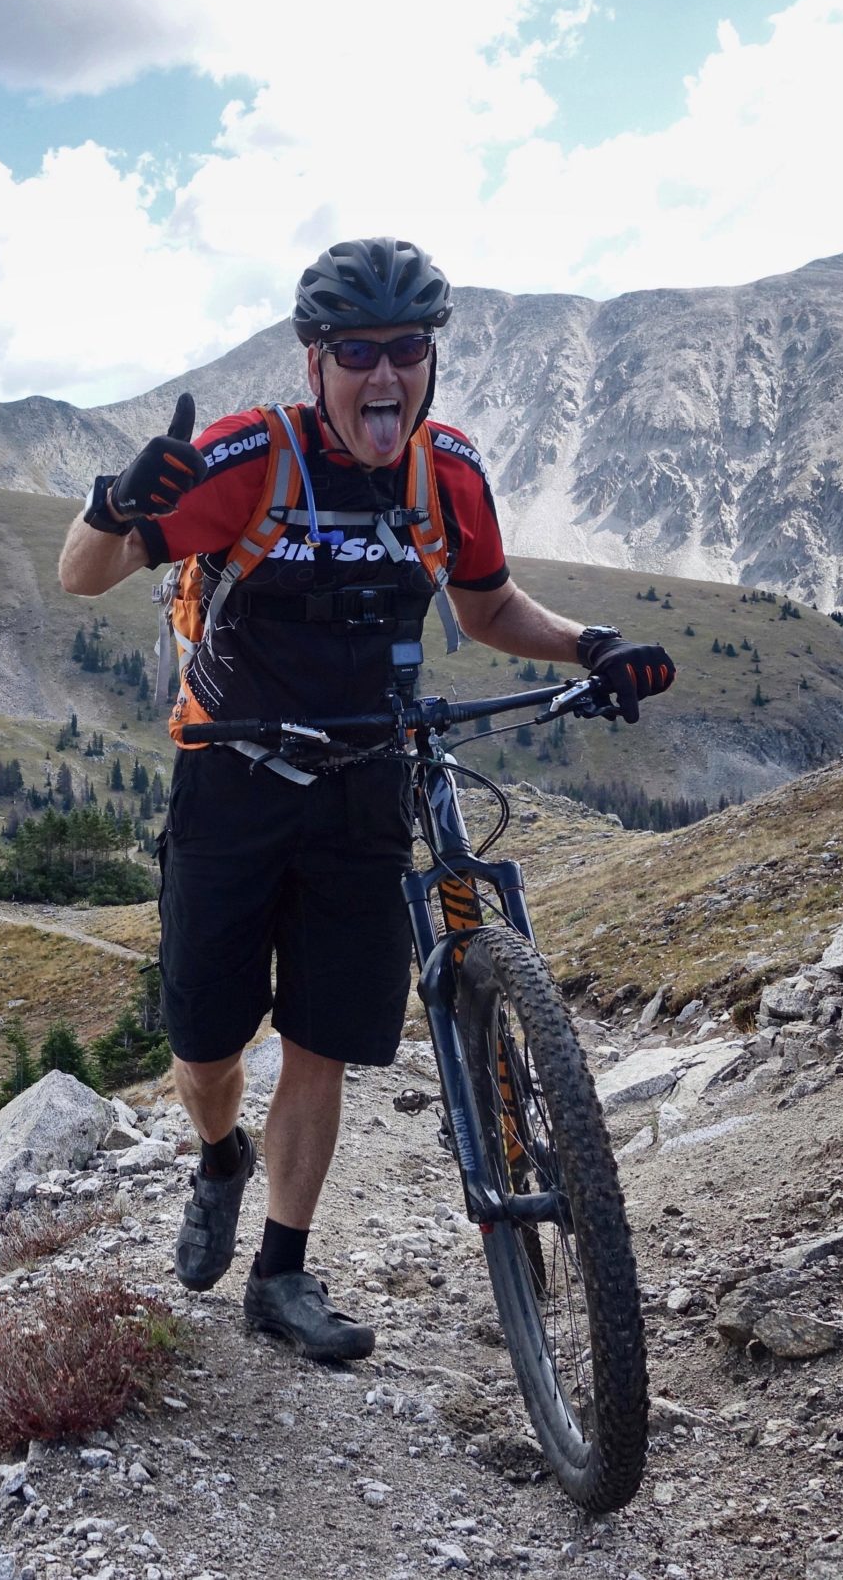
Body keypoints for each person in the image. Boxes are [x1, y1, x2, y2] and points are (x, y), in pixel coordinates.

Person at [56, 237, 675, 1361]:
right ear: (315, 362)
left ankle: (281, 1274)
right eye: (357, 353)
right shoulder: (248, 460)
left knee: (321, 1043)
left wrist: (592, 646)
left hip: (365, 783)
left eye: (405, 351)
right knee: (205, 1050)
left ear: (428, 360)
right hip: (231, 781)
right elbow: (81, 576)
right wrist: (114, 502)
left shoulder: (448, 473)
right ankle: (218, 1155)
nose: (382, 376)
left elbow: (487, 609)